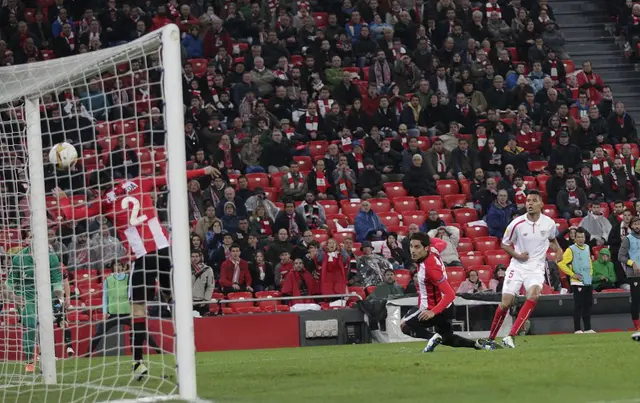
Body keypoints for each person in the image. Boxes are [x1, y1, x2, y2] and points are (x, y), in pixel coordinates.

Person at [55, 165, 218, 379]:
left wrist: (63, 199)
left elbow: (71, 215)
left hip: (141, 258)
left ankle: (138, 363)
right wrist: (202, 171)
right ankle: (187, 349)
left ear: (96, 190)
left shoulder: (104, 202)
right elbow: (174, 175)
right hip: (164, 252)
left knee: (138, 311)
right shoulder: (141, 182)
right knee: (174, 301)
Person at [487, 190, 563, 348]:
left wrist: (559, 250)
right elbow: (504, 244)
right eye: (528, 200)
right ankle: (491, 338)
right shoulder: (516, 224)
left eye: (534, 201)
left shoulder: (548, 223)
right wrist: (518, 255)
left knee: (534, 295)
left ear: (541, 204)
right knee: (506, 303)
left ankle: (510, 336)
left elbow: (552, 240)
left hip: (536, 267)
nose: (529, 203)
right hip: (518, 265)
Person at [400, 232, 489, 352]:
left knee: (404, 325)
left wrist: (432, 312)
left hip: (432, 308)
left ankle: (432, 338)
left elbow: (450, 294)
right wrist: (423, 238)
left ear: (426, 248)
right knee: (447, 338)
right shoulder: (434, 250)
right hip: (447, 308)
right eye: (411, 246)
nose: (413, 250)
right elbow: (442, 243)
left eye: (417, 247)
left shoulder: (430, 269)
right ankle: (477, 345)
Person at [1, 243, 64, 373]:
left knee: (45, 326)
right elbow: (11, 282)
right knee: (31, 321)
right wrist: (14, 297)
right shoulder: (19, 257)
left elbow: (57, 280)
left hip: (46, 297)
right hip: (25, 297)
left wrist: (60, 300)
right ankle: (29, 361)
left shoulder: (51, 256)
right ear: (29, 240)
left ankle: (44, 356)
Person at [558, 228, 595, 334]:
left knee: (588, 304)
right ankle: (577, 329)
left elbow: (589, 262)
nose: (581, 239)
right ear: (574, 238)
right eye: (578, 237)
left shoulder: (587, 247)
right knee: (579, 305)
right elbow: (561, 263)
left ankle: (588, 328)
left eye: (582, 237)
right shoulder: (571, 249)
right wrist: (573, 274)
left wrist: (591, 274)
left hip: (587, 280)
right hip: (577, 282)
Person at [618, 216, 640, 333]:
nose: (637, 226)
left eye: (638, 224)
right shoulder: (628, 239)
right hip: (634, 274)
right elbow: (621, 256)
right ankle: (637, 325)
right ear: (631, 226)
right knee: (636, 300)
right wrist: (632, 263)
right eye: (635, 224)